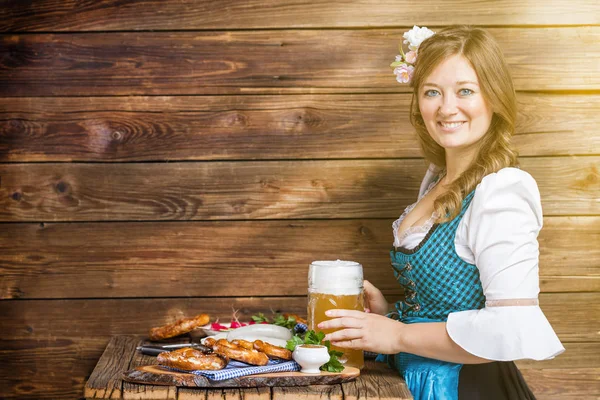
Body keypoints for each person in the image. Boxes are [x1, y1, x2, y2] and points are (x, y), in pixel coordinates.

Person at [316, 25, 565, 399]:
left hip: (468, 388)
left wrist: (398, 335)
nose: (447, 108)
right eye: (432, 92)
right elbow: (446, 304)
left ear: (493, 98)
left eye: (465, 91)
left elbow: (510, 328)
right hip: (416, 380)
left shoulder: (502, 191)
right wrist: (392, 315)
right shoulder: (438, 180)